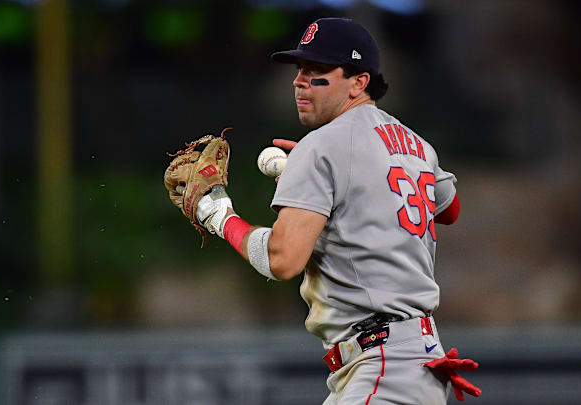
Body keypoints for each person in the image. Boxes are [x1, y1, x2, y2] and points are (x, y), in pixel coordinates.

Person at [193, 17, 480, 404]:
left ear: (359, 82)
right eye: (300, 71)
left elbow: (282, 260)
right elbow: (450, 209)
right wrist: (344, 186)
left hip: (382, 367)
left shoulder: (322, 146)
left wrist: (219, 217)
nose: (300, 81)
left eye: (317, 71)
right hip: (415, 361)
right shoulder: (416, 144)